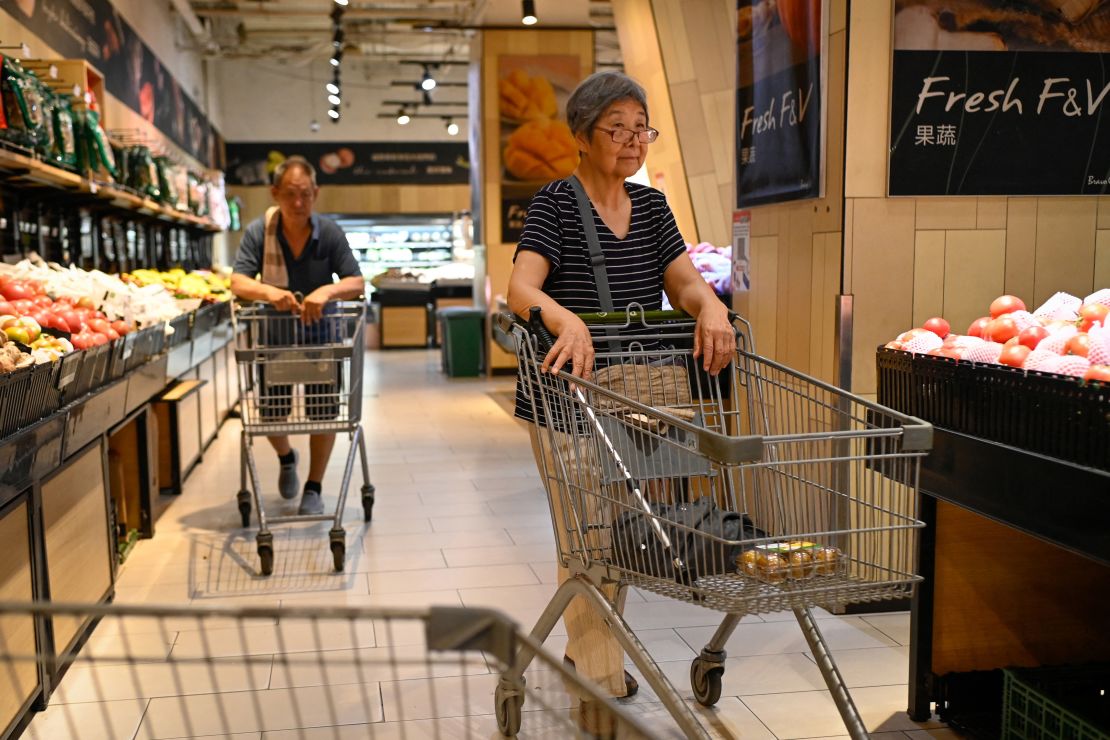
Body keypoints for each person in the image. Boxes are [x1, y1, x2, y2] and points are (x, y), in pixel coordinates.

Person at [506, 71, 735, 714]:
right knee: (587, 531)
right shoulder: (555, 203)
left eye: (642, 128)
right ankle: (601, 676)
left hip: (636, 392)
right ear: (582, 135)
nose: (635, 140)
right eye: (619, 128)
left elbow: (684, 282)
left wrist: (709, 308)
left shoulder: (654, 206)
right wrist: (564, 318)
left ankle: (589, 646)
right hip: (564, 395)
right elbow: (520, 289)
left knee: (612, 534)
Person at [230, 156, 365, 515]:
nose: (299, 202)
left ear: (316, 194)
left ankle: (314, 486)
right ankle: (287, 456)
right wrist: (268, 292)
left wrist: (327, 292)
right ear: (275, 194)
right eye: (290, 194)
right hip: (275, 340)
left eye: (305, 194)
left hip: (323, 340)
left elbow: (356, 280)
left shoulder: (330, 233)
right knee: (272, 416)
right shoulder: (259, 233)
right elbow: (237, 281)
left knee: (323, 415)